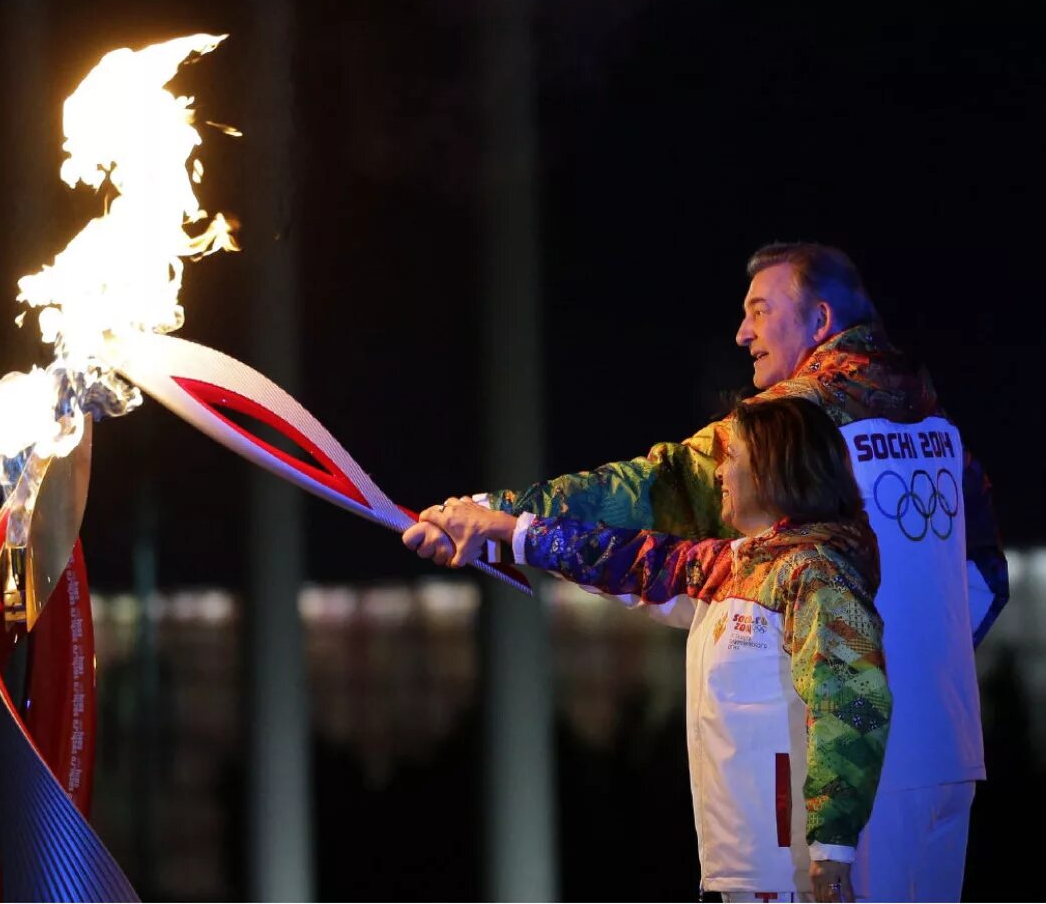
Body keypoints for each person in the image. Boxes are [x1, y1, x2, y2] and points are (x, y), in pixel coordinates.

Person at [407, 242, 1007, 902]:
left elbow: (653, 488)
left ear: (820, 320)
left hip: (856, 771)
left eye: (759, 311)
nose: (742, 332)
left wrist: (492, 511)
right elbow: (985, 576)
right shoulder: (932, 418)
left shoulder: (797, 421)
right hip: (947, 753)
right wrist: (917, 668)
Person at [408, 397, 892, 902]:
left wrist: (832, 854)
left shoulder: (816, 576)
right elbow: (621, 559)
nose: (719, 473)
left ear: (774, 467)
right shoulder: (730, 565)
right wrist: (501, 530)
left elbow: (854, 705)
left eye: (733, 457)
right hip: (731, 874)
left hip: (792, 879)